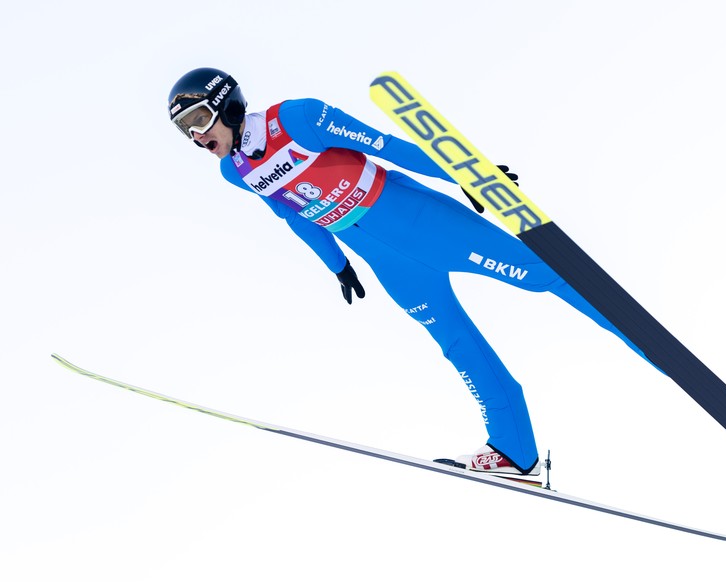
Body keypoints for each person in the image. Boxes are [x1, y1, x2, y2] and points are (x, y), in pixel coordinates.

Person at [167, 67, 649, 476]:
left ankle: (650, 342)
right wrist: (339, 266)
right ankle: (514, 452)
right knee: (458, 345)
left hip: (425, 223)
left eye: (198, 119)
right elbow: (293, 215)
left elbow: (390, 147)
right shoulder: (236, 172)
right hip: (390, 265)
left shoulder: (297, 118)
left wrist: (468, 175)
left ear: (226, 105)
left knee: (546, 276)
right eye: (184, 131)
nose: (196, 136)